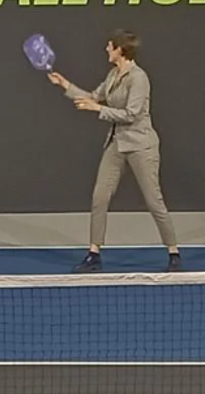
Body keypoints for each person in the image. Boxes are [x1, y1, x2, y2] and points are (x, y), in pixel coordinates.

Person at [47, 29, 182, 273]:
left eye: (110, 47)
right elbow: (92, 97)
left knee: (154, 202)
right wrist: (65, 84)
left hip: (141, 145)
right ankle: (94, 254)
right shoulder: (112, 74)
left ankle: (173, 252)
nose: (106, 50)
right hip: (117, 143)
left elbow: (131, 114)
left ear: (120, 50)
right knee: (100, 198)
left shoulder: (139, 78)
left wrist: (96, 109)